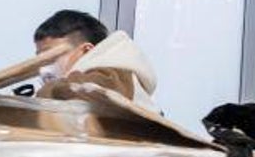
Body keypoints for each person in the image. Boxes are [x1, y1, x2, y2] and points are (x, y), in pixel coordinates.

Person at [22, 9, 159, 111]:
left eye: (50, 57)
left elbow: (86, 91)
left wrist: (42, 94)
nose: (43, 68)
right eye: (39, 60)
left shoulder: (115, 74)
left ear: (86, 51)